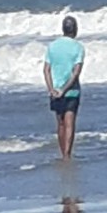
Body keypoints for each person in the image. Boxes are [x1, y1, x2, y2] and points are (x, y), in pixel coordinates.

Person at [44, 15, 85, 159]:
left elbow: (46, 70)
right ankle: (67, 154)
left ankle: (63, 154)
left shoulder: (52, 46)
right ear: (75, 30)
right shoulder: (78, 47)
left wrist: (51, 89)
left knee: (60, 123)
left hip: (55, 91)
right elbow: (76, 72)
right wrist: (66, 89)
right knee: (69, 123)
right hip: (71, 90)